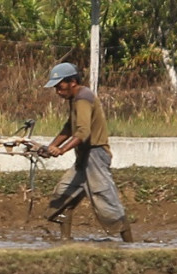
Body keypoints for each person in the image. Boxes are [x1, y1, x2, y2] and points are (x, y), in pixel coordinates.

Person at [40, 62, 133, 242]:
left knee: (106, 201)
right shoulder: (74, 99)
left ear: (72, 82)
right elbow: (69, 128)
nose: (58, 92)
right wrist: (50, 147)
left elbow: (83, 132)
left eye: (60, 87)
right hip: (83, 157)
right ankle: (65, 240)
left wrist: (61, 150)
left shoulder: (83, 98)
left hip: (95, 156)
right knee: (63, 196)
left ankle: (130, 246)